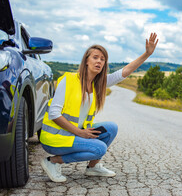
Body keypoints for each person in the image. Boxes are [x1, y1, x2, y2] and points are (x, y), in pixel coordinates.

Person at [39, 33, 158, 182]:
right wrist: (80, 133)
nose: (99, 61)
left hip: (74, 134)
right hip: (55, 138)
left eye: (102, 59)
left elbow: (124, 72)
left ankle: (93, 167)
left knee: (111, 128)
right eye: (95, 57)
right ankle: (53, 162)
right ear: (86, 61)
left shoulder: (97, 84)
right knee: (99, 148)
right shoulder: (68, 80)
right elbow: (54, 114)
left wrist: (146, 54)